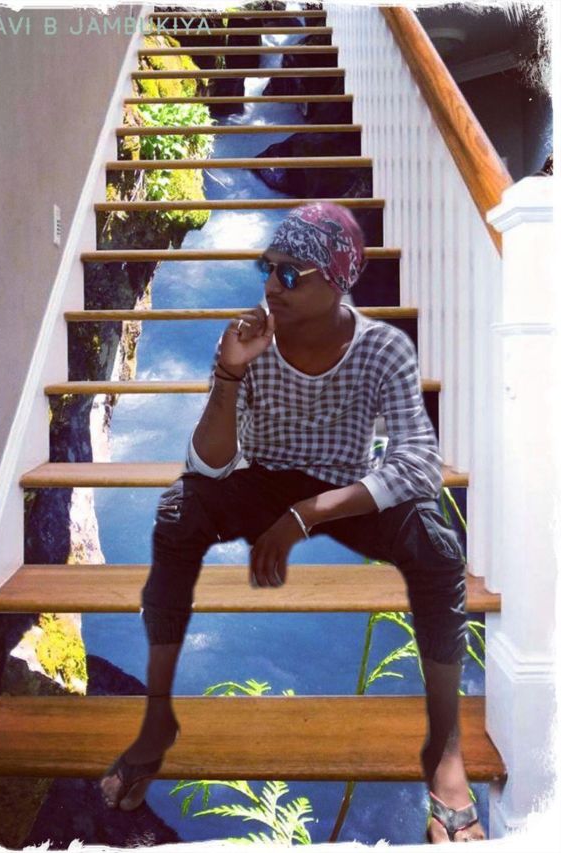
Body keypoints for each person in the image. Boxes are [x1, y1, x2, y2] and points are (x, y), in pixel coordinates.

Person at [99, 202, 485, 843]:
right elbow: (208, 465)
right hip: (262, 480)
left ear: (336, 281)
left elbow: (418, 460)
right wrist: (229, 372)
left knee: (438, 546)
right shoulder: (250, 340)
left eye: (289, 273)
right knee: (177, 512)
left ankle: (444, 754)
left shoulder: (382, 348)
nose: (271, 286)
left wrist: (306, 515)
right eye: (267, 268)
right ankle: (157, 720)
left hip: (343, 489)